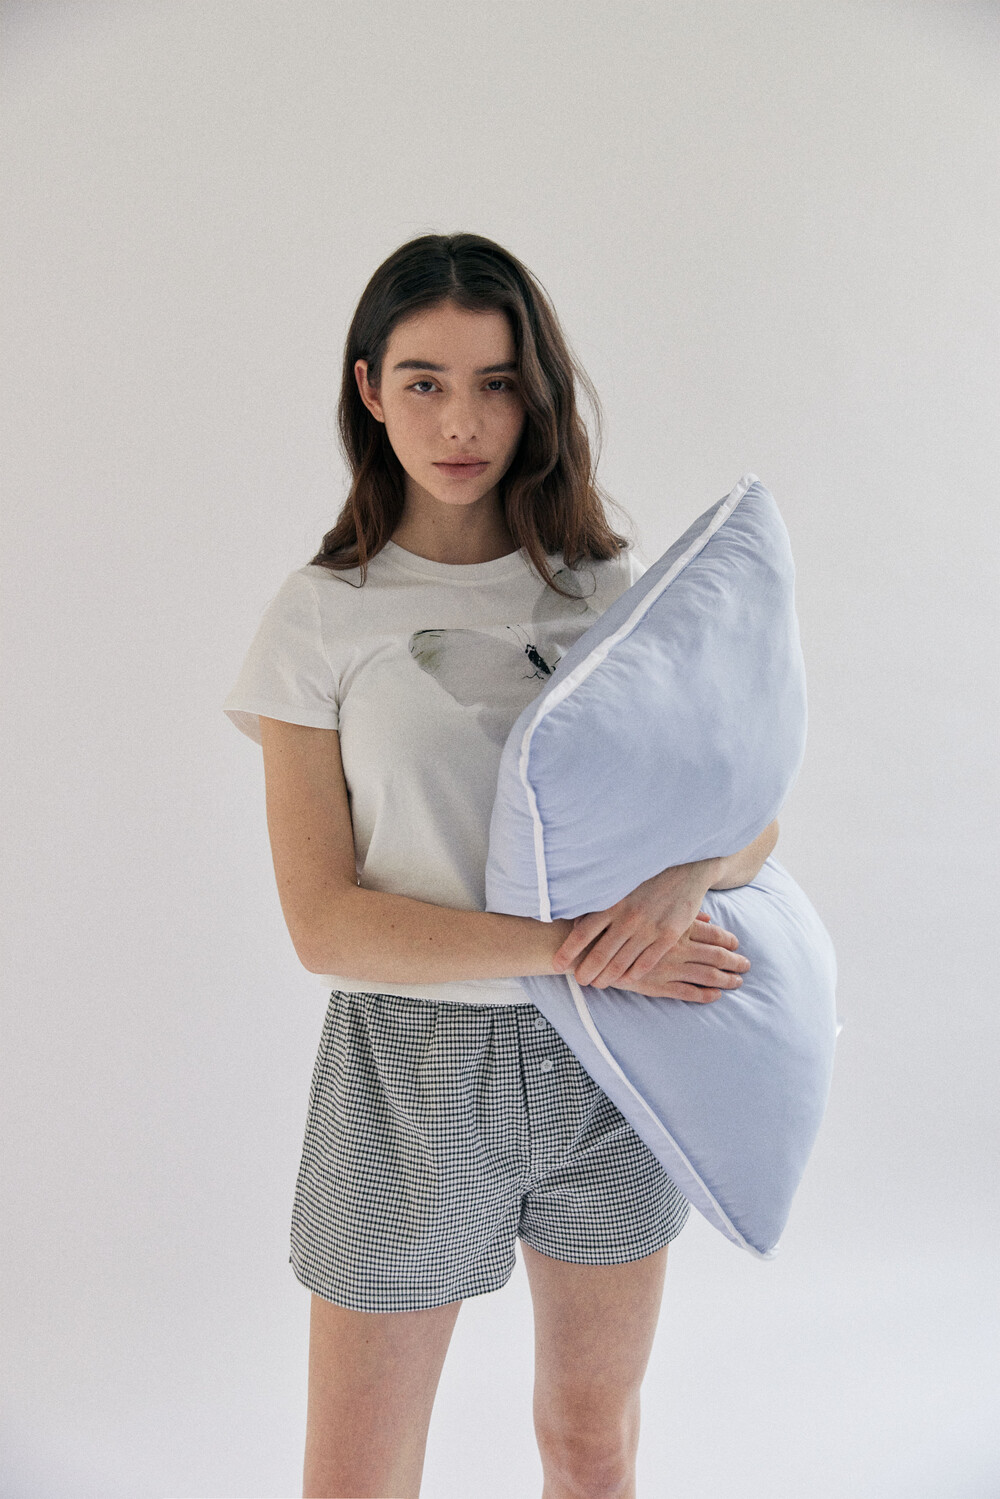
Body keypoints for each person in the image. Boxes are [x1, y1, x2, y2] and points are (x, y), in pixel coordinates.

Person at [223, 231, 777, 1499]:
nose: (461, 421)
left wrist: (681, 883)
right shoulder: (321, 614)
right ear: (369, 390)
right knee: (356, 1478)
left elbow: (750, 820)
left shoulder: (606, 589)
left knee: (593, 1445)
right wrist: (581, 945)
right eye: (423, 382)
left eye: (496, 383)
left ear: (537, 396)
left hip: (612, 1058)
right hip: (407, 1072)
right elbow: (325, 924)